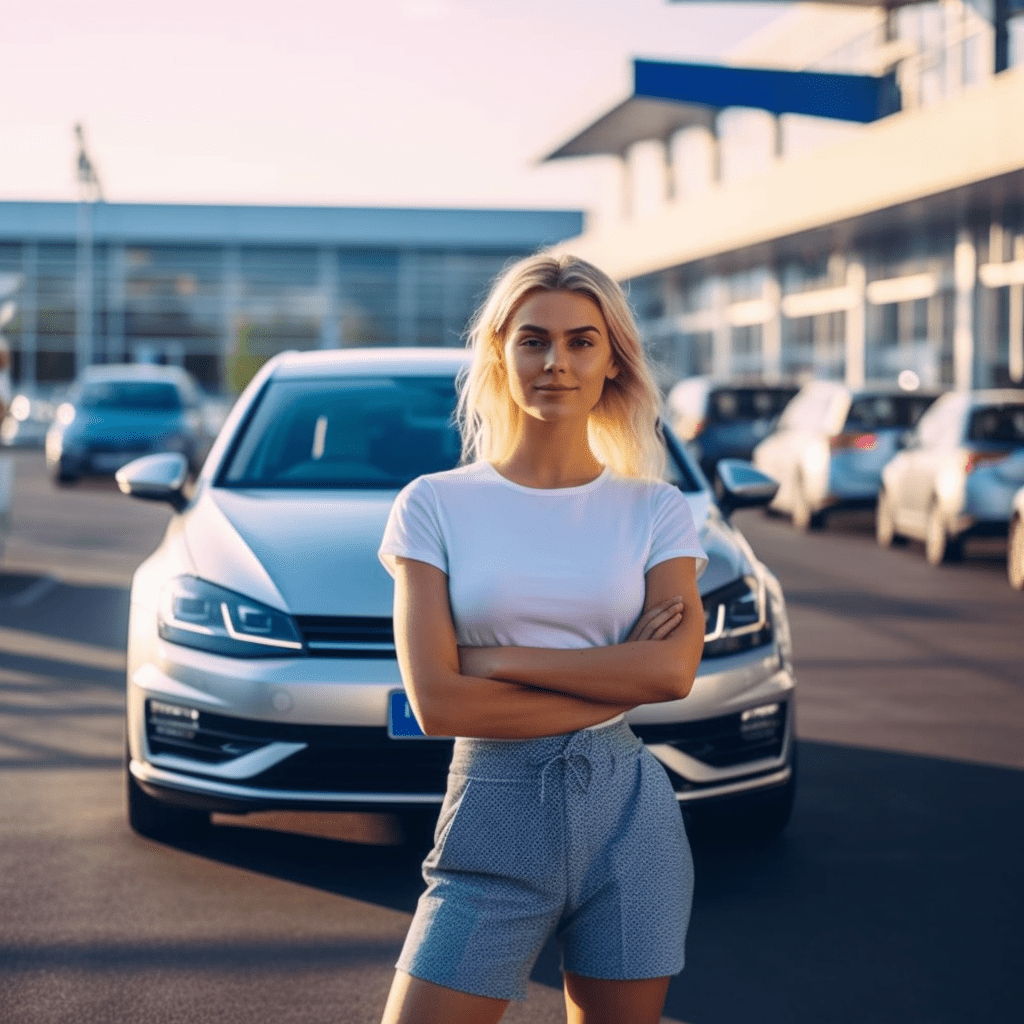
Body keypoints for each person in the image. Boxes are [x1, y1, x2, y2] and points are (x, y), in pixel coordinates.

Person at [378, 253, 707, 1024]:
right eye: (534, 340)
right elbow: (437, 702)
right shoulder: (433, 506)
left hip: (633, 819)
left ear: (612, 361)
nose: (556, 361)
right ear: (502, 353)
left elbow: (670, 676)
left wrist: (496, 661)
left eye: (581, 341)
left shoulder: (657, 511)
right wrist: (613, 672)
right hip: (492, 814)